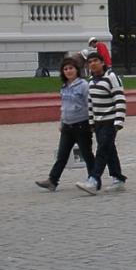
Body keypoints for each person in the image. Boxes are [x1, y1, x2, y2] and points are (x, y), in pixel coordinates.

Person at [35, 57, 96, 191]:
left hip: (81, 125)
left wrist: (92, 123)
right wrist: (61, 122)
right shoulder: (64, 87)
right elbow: (64, 106)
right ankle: (52, 180)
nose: (68, 71)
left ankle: (94, 179)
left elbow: (90, 104)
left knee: (87, 154)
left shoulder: (84, 85)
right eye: (65, 69)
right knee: (62, 155)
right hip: (67, 126)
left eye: (71, 68)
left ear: (77, 70)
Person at [76, 51, 127, 194]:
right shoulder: (91, 81)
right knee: (110, 150)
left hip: (110, 121)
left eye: (95, 61)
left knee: (102, 150)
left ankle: (93, 179)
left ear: (102, 62)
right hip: (98, 122)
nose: (92, 64)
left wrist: (119, 119)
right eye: (90, 61)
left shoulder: (111, 77)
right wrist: (91, 121)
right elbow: (90, 103)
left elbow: (120, 99)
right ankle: (118, 178)